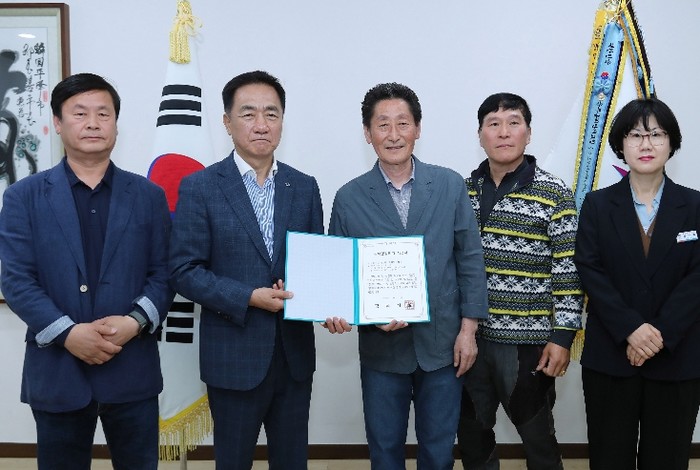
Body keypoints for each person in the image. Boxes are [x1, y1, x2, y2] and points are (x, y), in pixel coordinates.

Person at [0, 73, 174, 470]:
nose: (93, 123)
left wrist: (134, 322)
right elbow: (17, 281)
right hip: (58, 369)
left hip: (131, 364)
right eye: (80, 113)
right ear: (58, 123)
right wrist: (68, 333)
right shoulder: (23, 197)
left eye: (103, 114)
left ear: (116, 124)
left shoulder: (148, 196)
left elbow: (165, 273)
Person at [324, 82, 488, 470]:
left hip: (444, 346)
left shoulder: (449, 184)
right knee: (384, 453)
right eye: (383, 124)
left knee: (438, 452)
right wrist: (352, 313)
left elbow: (469, 258)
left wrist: (468, 331)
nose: (394, 134)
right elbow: (338, 276)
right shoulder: (348, 197)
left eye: (403, 123)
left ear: (418, 128)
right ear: (368, 133)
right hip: (382, 352)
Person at [169, 70, 324, 469]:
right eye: (248, 113)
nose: (261, 124)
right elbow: (184, 270)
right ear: (227, 122)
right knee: (233, 461)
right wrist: (248, 297)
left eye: (271, 114)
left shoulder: (304, 187)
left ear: (282, 121)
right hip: (233, 356)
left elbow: (317, 264)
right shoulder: (200, 187)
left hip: (293, 356)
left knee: (292, 461)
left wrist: (329, 302)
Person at [456, 92, 583, 470]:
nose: (504, 132)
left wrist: (563, 338)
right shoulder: (462, 191)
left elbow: (568, 271)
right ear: (480, 134)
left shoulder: (554, 193)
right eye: (493, 124)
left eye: (514, 123)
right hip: (469, 340)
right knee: (473, 437)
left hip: (528, 346)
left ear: (528, 133)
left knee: (538, 440)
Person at [574, 97, 700, 469]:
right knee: (609, 457)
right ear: (621, 144)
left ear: (671, 143)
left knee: (667, 458)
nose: (646, 144)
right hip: (612, 355)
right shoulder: (597, 205)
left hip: (677, 356)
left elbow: (697, 276)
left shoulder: (694, 206)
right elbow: (590, 269)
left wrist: (659, 333)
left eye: (656, 134)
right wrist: (631, 328)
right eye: (635, 135)